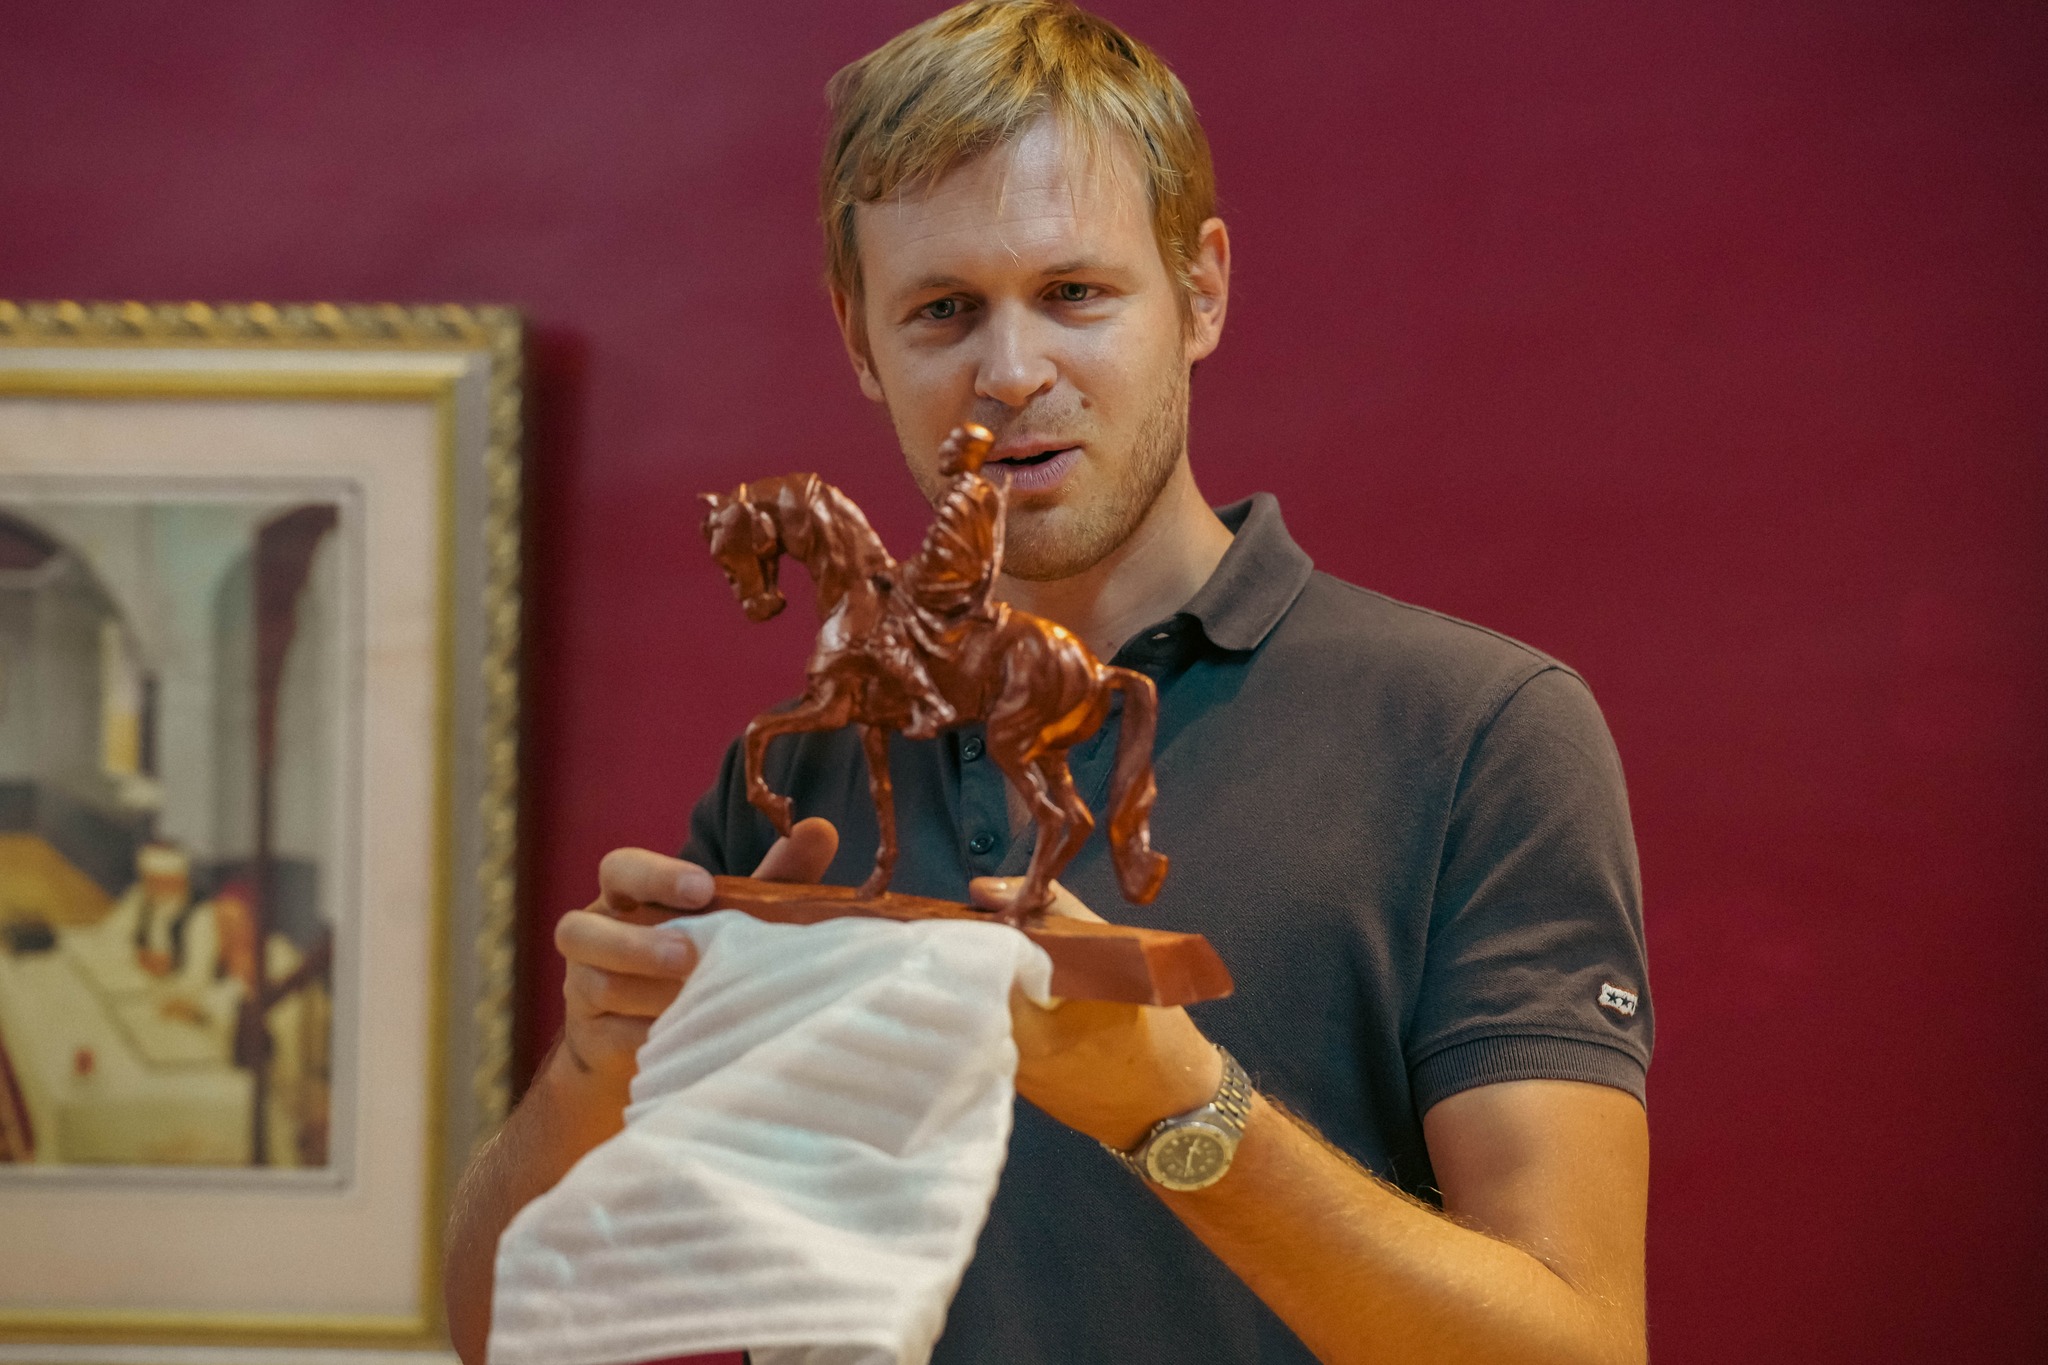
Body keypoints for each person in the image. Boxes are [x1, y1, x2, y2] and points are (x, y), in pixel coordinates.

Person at [445, 4, 1654, 1362]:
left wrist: (1178, 1110)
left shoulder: (1479, 735)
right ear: (861, 340)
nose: (1012, 373)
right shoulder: (801, 778)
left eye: (1075, 292)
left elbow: (1582, 1349)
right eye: (944, 311)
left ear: (1201, 292)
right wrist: (592, 1068)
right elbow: (504, 1329)